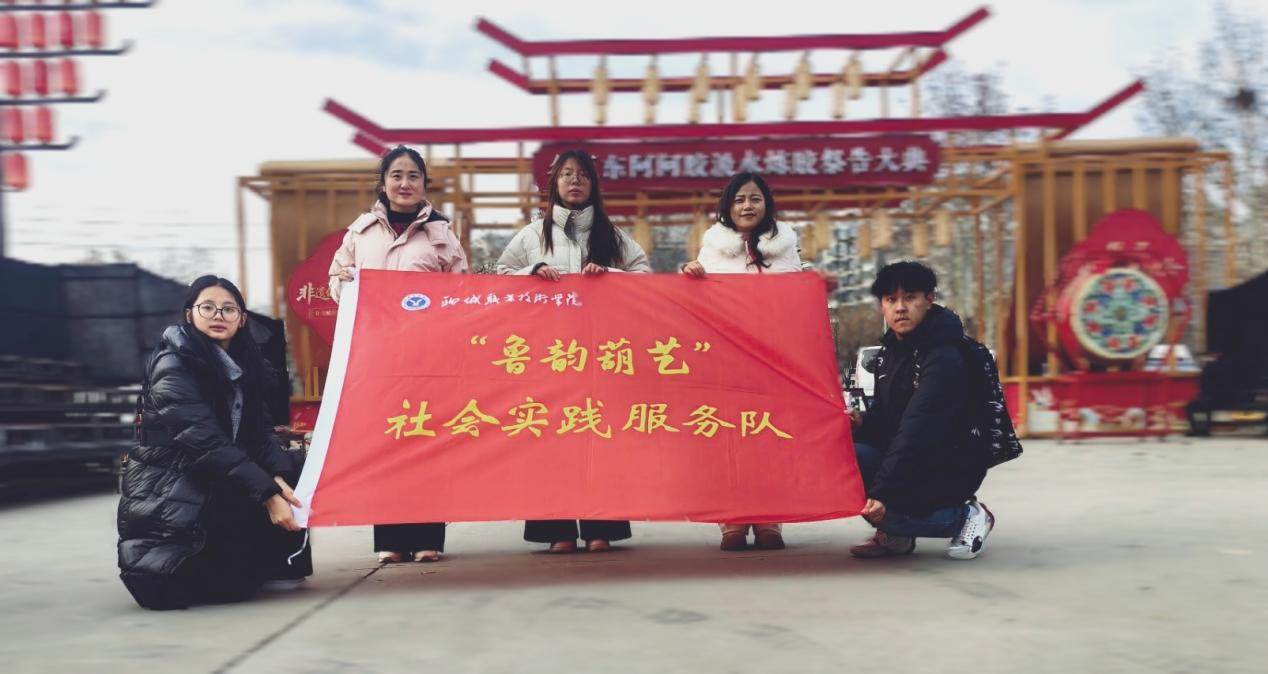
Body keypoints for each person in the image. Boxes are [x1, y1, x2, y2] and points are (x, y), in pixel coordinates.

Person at [118, 276, 311, 610]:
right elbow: (205, 443)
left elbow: (261, 433)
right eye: (207, 307)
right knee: (213, 587)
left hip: (216, 475)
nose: (218, 315)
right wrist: (268, 494)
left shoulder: (244, 367)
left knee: (294, 467)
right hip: (175, 481)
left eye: (228, 309)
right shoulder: (173, 364)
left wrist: (278, 477)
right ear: (190, 314)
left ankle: (279, 561)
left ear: (242, 319)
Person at [495, 149, 650, 553]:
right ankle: (556, 530)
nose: (574, 181)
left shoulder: (613, 236)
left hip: (601, 352)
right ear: (554, 184)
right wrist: (531, 272)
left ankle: (602, 527)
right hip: (548, 353)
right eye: (566, 174)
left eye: (582, 175)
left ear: (593, 184)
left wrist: (609, 276)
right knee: (550, 439)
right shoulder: (532, 235)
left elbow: (643, 276)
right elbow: (500, 276)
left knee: (599, 436)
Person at [329, 145, 469, 564]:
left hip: (428, 358)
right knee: (386, 443)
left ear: (424, 184)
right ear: (384, 182)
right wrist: (346, 284)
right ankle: (389, 539)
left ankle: (428, 538)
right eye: (397, 175)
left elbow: (461, 290)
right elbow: (336, 281)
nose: (405, 183)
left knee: (426, 442)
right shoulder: (360, 233)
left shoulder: (442, 234)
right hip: (378, 357)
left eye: (413, 175)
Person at [680, 172, 801, 552]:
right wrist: (691, 277)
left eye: (755, 198)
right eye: (739, 199)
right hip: (725, 364)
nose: (747, 206)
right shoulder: (712, 250)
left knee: (769, 439)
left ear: (767, 204)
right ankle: (732, 519)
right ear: (728, 207)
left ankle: (769, 519)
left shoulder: (787, 248)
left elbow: (797, 306)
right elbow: (697, 309)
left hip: (772, 364)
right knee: (729, 440)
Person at [848, 261, 995, 560]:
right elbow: (890, 419)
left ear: (929, 299)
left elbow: (917, 429)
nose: (900, 308)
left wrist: (883, 493)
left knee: (885, 509)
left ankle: (965, 515)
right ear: (882, 306)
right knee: (846, 455)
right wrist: (861, 422)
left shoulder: (944, 355)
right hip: (914, 459)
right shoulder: (892, 351)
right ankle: (897, 537)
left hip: (946, 466)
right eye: (891, 300)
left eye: (910, 298)